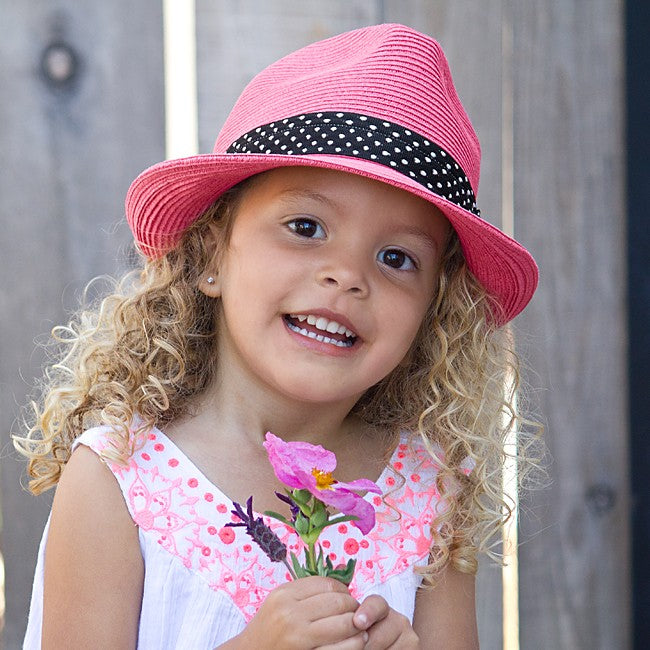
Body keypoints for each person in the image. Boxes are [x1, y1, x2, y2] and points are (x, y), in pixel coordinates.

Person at [16, 23, 540, 649]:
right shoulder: (120, 482)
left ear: (433, 313)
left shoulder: (429, 494)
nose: (346, 275)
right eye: (306, 225)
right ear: (212, 253)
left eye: (397, 258)